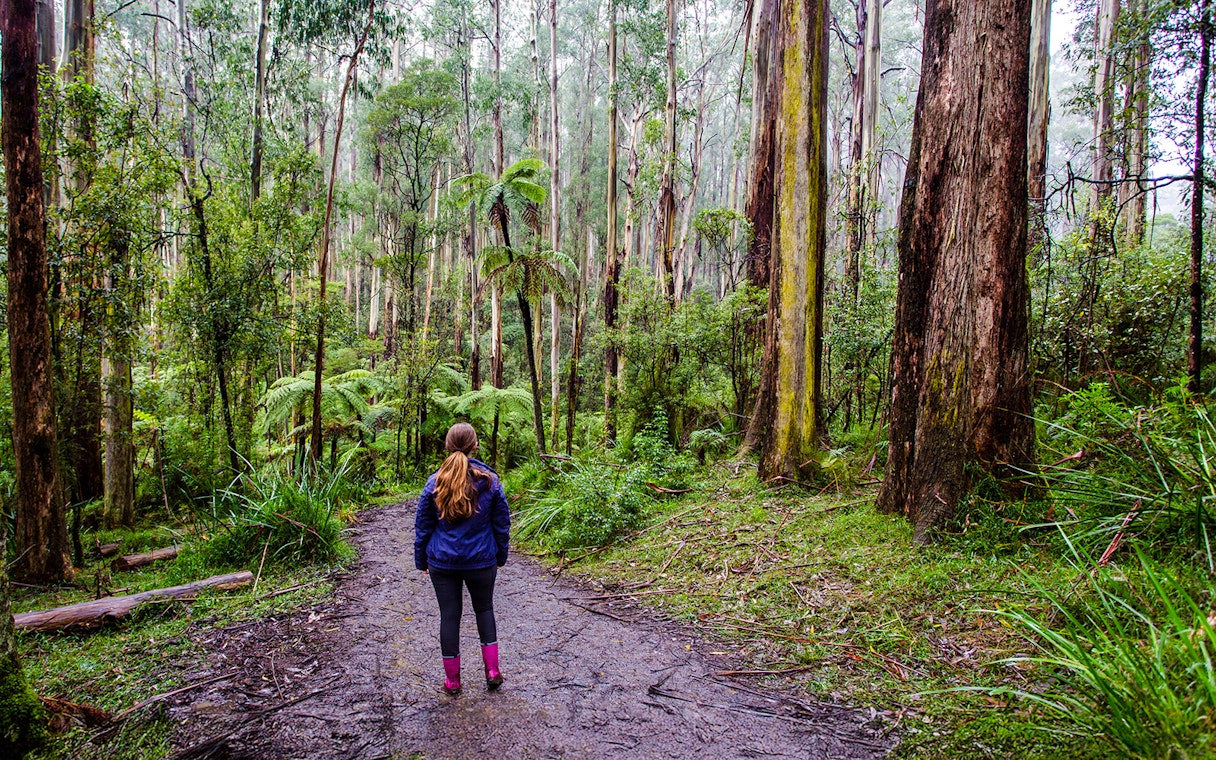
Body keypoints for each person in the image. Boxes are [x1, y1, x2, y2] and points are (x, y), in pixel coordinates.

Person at [414, 422, 511, 696]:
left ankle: (452, 681)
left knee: (449, 616)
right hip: (481, 560)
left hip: (442, 563)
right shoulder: (489, 481)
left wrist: (421, 560)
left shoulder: (435, 482)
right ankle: (492, 672)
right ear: (474, 445)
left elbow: (423, 527)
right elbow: (501, 525)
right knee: (485, 610)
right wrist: (500, 556)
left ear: (447, 445)